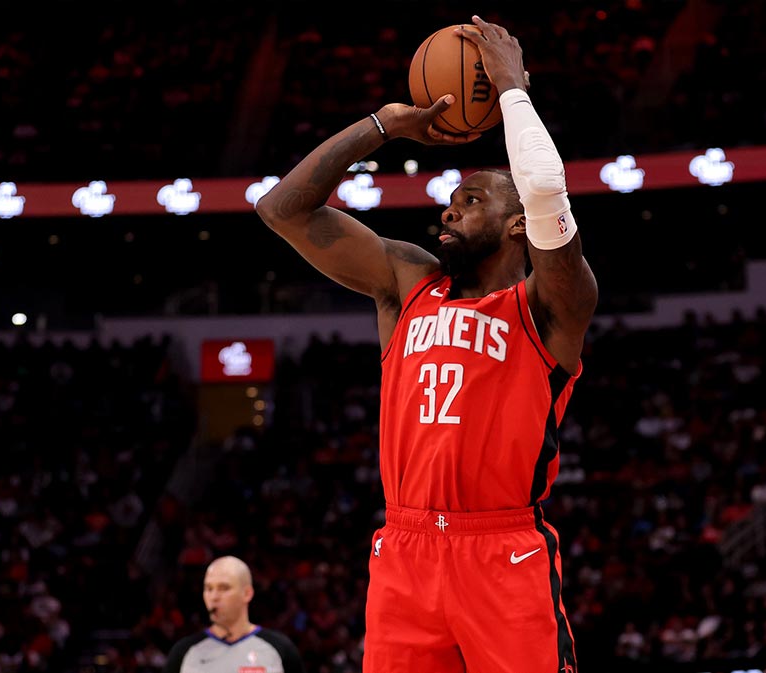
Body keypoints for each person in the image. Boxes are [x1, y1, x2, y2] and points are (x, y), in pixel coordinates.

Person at [256, 15, 597, 673]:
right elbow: (283, 210)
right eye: (449, 200)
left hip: (503, 551)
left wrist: (512, 93)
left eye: (470, 201)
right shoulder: (406, 283)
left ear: (516, 225)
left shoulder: (548, 306)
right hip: (405, 552)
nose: (449, 209)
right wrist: (381, 126)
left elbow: (549, 191)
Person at [163, 556, 304, 673]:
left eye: (224, 588)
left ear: (247, 593)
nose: (214, 596)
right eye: (208, 588)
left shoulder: (280, 649)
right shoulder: (184, 652)